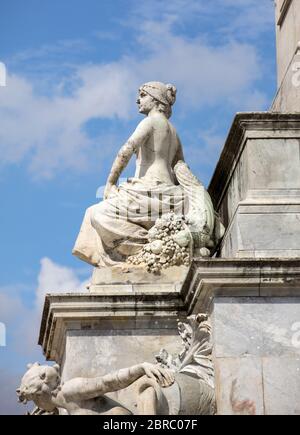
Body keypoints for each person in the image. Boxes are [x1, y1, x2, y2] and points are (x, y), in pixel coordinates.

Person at [73, 82, 189, 267]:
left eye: (143, 95)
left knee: (96, 214)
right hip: (168, 194)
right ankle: (152, 246)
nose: (138, 100)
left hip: (150, 190)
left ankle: (145, 249)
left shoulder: (150, 121)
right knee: (96, 214)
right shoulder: (174, 133)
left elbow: (126, 151)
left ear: (156, 99)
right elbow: (180, 169)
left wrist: (111, 182)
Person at [17, 361, 174, 416]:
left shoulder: (70, 390)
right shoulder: (65, 406)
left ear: (39, 395)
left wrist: (141, 367)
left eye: (35, 402)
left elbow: (108, 382)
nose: (38, 408)